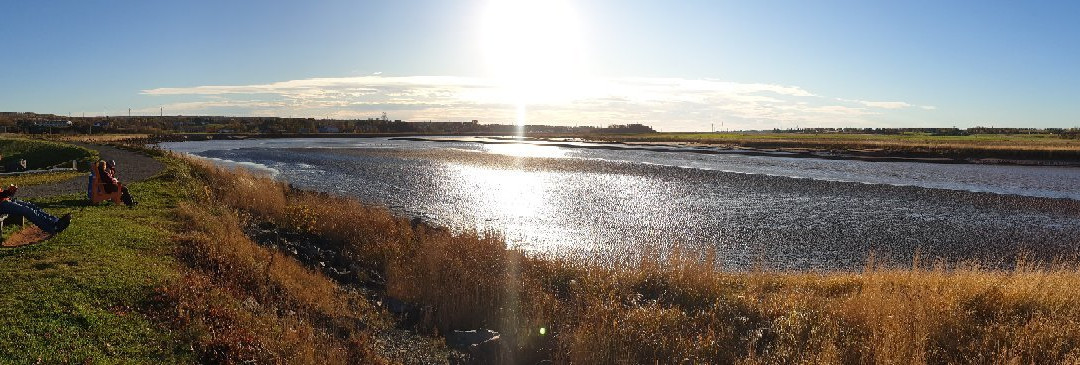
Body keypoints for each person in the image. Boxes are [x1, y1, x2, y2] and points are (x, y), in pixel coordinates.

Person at [0, 184, 71, 234]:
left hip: (5, 200)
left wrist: (9, 192)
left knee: (32, 207)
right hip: (2, 204)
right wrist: (8, 192)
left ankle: (56, 221)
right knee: (27, 211)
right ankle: (53, 228)